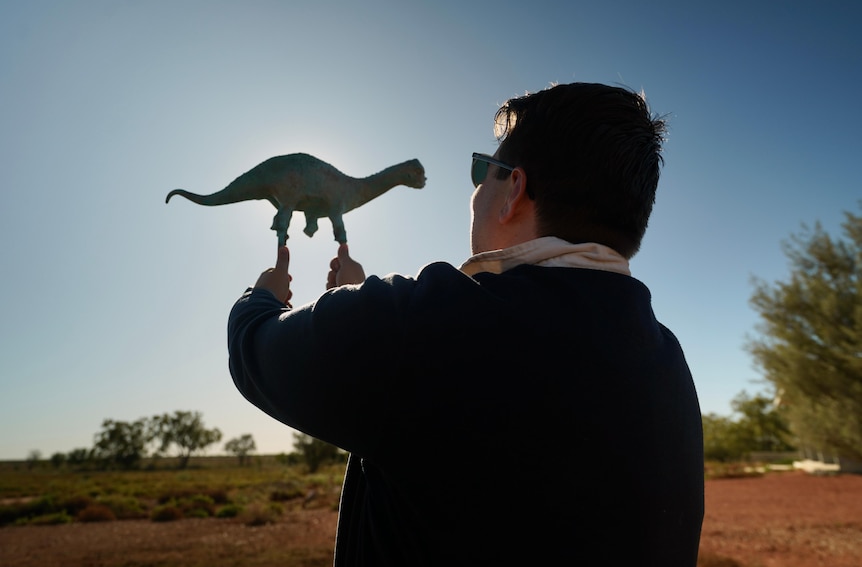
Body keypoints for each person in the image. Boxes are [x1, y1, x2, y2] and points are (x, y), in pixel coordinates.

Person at [228, 82, 704, 566]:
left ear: (513, 191)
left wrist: (262, 296)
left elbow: (254, 350)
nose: (475, 191)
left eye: (483, 171)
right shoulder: (669, 364)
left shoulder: (418, 323)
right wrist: (355, 301)